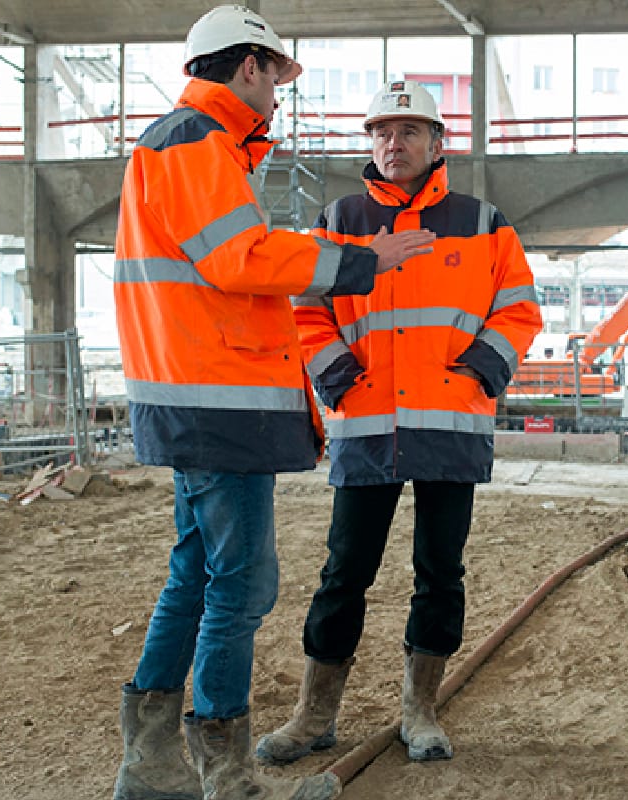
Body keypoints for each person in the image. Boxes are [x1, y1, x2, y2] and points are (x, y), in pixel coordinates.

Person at [110, 8, 435, 800]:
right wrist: (359, 257)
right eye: (278, 78)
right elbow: (240, 257)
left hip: (194, 397)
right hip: (217, 402)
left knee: (196, 573)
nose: (281, 97)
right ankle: (226, 779)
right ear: (249, 65)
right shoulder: (195, 142)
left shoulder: (188, 143)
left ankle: (152, 769)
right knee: (241, 584)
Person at [256, 80, 542, 766]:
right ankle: (314, 714)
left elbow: (520, 310)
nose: (394, 143)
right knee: (343, 572)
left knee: (440, 572)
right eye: (382, 131)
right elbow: (306, 310)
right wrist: (339, 377)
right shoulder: (339, 218)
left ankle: (420, 711)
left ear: (437, 144)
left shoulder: (483, 222)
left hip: (450, 421)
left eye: (410, 131)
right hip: (367, 422)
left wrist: (477, 370)